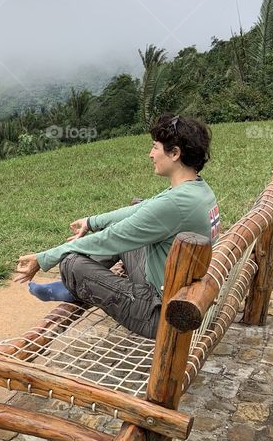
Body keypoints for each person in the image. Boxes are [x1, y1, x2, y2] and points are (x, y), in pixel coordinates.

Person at [13, 113, 221, 339]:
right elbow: (138, 212)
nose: (150, 154)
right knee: (121, 225)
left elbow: (112, 238)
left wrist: (44, 258)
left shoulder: (175, 203)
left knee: (71, 263)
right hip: (174, 287)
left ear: (175, 153)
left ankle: (74, 286)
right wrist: (91, 222)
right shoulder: (196, 189)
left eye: (155, 147)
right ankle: (73, 287)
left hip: (161, 312)